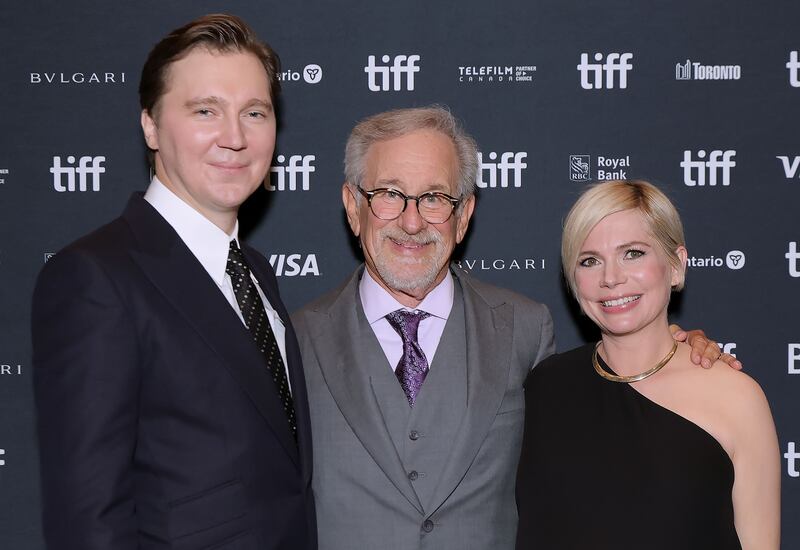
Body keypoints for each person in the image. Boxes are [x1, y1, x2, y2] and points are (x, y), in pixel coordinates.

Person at [292, 107, 728, 550]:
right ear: (353, 206)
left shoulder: (525, 328)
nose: (411, 221)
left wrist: (674, 357)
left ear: (463, 216)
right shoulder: (293, 339)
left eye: (435, 198)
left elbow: (601, 445)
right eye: (390, 194)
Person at [31, 14, 316, 550]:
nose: (234, 137)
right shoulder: (94, 277)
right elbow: (88, 519)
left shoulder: (254, 272)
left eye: (254, 112)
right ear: (151, 126)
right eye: (205, 111)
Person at [515, 180, 780, 550]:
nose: (611, 278)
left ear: (675, 266)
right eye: (590, 260)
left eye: (633, 253)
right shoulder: (545, 387)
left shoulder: (736, 397)